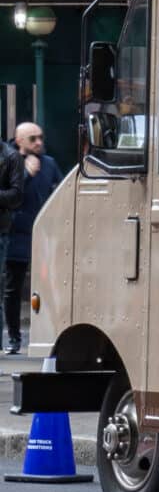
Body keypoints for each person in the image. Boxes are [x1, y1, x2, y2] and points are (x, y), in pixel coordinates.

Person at [3, 123, 62, 356]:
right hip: (16, 234)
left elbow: (58, 191)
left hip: (44, 236)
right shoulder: (9, 161)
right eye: (32, 139)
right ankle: (14, 338)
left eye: (40, 137)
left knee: (50, 288)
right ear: (19, 141)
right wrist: (26, 175)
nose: (38, 142)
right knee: (13, 288)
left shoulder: (49, 163)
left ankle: (52, 337)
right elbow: (11, 196)